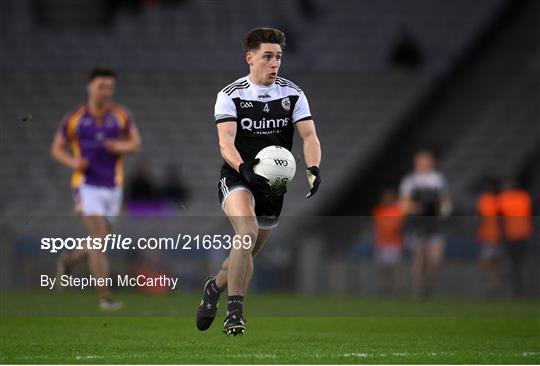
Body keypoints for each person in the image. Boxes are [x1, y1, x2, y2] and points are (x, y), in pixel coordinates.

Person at [196, 27, 322, 336]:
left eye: (278, 57)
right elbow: (225, 143)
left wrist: (314, 167)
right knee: (247, 232)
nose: (274, 63)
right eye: (267, 56)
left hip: (272, 187)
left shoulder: (293, 94)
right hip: (238, 176)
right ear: (250, 58)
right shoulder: (231, 95)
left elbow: (309, 135)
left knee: (244, 252)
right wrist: (243, 167)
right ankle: (235, 312)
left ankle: (214, 288)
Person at [51, 67, 141, 310]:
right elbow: (57, 148)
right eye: (101, 86)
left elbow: (135, 143)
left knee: (97, 241)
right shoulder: (75, 118)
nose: (106, 92)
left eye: (110, 87)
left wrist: (119, 146)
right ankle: (104, 297)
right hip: (87, 185)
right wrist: (74, 162)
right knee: (99, 240)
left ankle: (68, 260)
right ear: (90, 87)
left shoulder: (121, 115)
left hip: (113, 187)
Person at [399, 150, 451, 299]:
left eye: (427, 160)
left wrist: (445, 209)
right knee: (419, 257)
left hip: (433, 224)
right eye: (422, 161)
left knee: (435, 258)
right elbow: (404, 204)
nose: (425, 164)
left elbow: (445, 200)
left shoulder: (438, 179)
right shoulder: (410, 180)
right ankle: (419, 288)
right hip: (417, 223)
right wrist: (418, 208)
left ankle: (428, 283)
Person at [498, 179, 532, 297]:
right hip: (522, 234)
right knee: (520, 263)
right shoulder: (524, 197)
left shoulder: (504, 198)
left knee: (513, 264)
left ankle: (517, 290)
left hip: (512, 235)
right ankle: (520, 290)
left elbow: (500, 218)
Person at [372, 189, 405, 296]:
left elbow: (399, 226)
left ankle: (397, 290)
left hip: (394, 244)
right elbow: (376, 227)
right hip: (381, 244)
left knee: (395, 269)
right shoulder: (378, 210)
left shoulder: (398, 210)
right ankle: (383, 290)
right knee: (382, 270)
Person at [476, 179, 502, 297]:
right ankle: (492, 284)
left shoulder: (492, 201)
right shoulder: (494, 200)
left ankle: (493, 285)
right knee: (489, 262)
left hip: (492, 236)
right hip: (488, 235)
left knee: (489, 262)